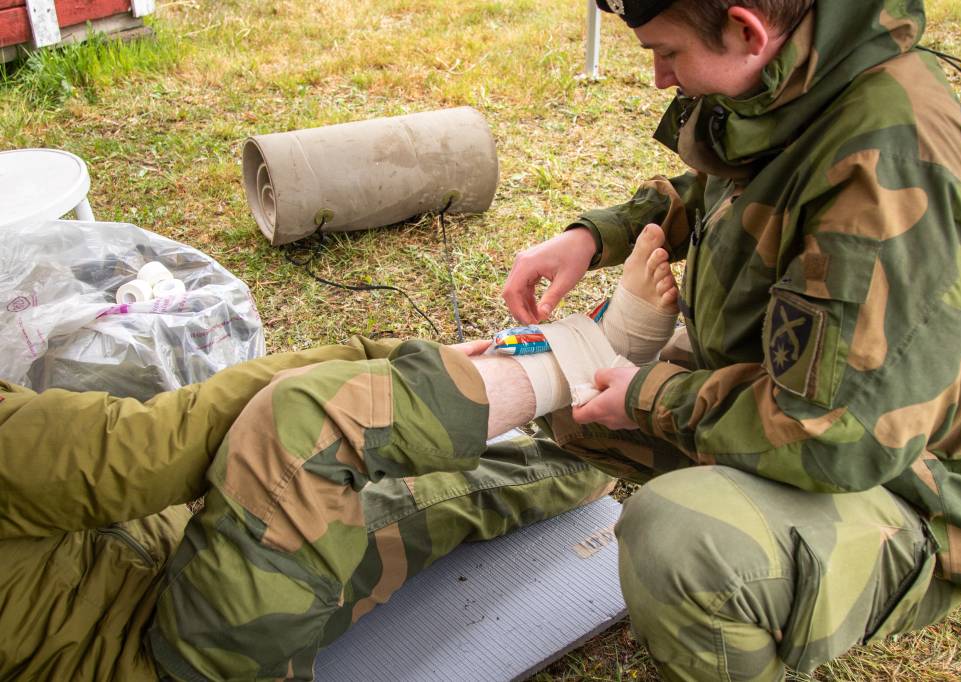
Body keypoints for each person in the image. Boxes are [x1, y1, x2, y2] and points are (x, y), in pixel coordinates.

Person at [502, 0, 961, 680]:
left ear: (747, 30)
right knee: (572, 379)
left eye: (668, 53)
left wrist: (650, 395)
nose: (660, 77)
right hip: (806, 400)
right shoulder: (805, 72)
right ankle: (741, 514)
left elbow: (836, 436)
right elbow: (735, 179)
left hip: (915, 489)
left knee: (678, 541)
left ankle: (760, 568)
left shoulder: (886, 170)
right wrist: (596, 234)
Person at [0, 230, 678, 681]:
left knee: (396, 502)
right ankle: (588, 363)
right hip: (164, 660)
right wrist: (379, 362)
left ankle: (595, 448)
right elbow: (143, 449)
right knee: (312, 424)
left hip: (159, 560)